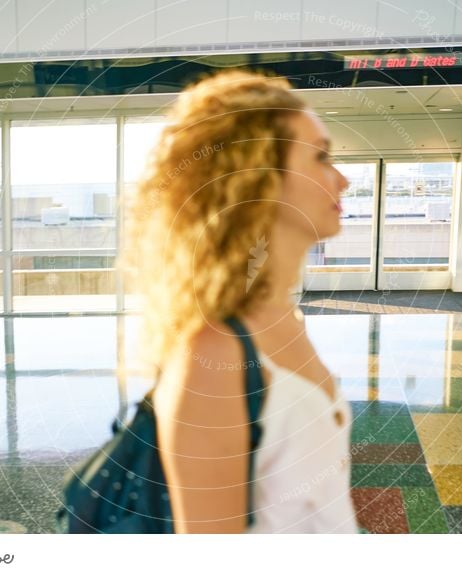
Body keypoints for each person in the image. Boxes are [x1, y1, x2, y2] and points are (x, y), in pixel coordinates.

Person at [122, 69, 357, 533]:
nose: (343, 179)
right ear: (258, 180)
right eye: (321, 157)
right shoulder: (213, 354)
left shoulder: (284, 317)